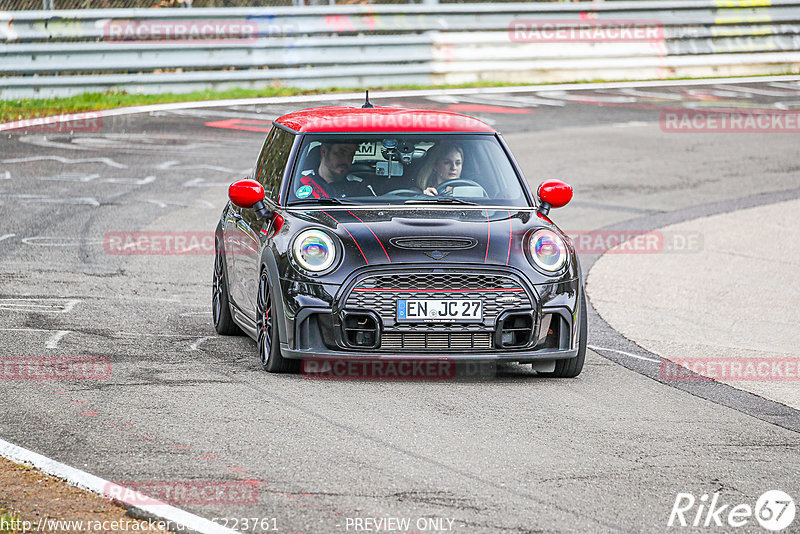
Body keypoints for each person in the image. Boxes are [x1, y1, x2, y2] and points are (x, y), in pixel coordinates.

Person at [297, 142, 372, 199]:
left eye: (351, 155)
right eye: (340, 153)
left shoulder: (359, 186)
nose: (346, 160)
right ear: (324, 151)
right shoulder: (299, 183)